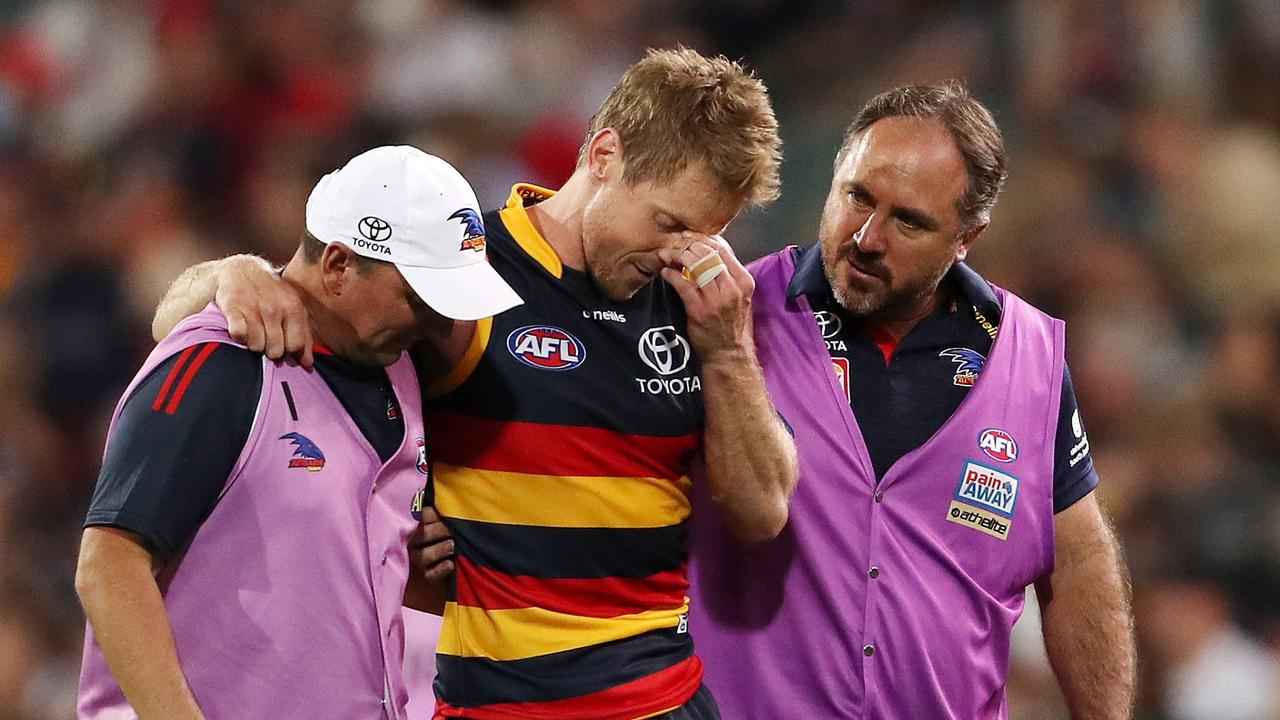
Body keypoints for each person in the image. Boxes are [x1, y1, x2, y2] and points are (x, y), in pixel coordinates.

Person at [148, 48, 798, 720]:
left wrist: (726, 353)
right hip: (498, 707)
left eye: (704, 235)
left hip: (662, 702)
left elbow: (761, 513)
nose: (679, 252)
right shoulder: (459, 271)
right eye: (668, 223)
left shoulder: (702, 304)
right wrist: (234, 275)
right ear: (604, 156)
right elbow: (182, 322)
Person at [686, 81, 1138, 719]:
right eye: (857, 196)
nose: (867, 237)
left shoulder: (1029, 359)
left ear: (967, 238)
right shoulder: (730, 314)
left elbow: (1081, 561)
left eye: (909, 221)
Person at [75, 145, 521, 720]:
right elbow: (108, 566)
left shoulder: (400, 370)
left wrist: (397, 558)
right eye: (420, 299)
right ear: (337, 265)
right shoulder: (224, 361)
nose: (440, 325)